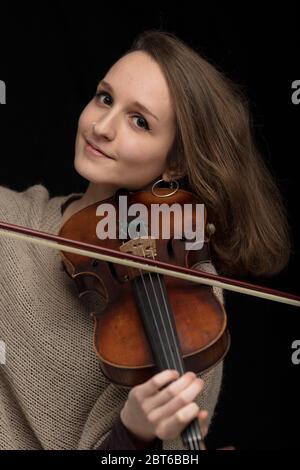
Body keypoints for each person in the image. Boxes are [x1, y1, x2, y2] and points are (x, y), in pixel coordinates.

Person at [0, 30, 291, 450]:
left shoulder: (190, 298)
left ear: (174, 163)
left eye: (140, 121)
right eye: (104, 98)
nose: (101, 127)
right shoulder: (13, 220)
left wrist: (132, 432)